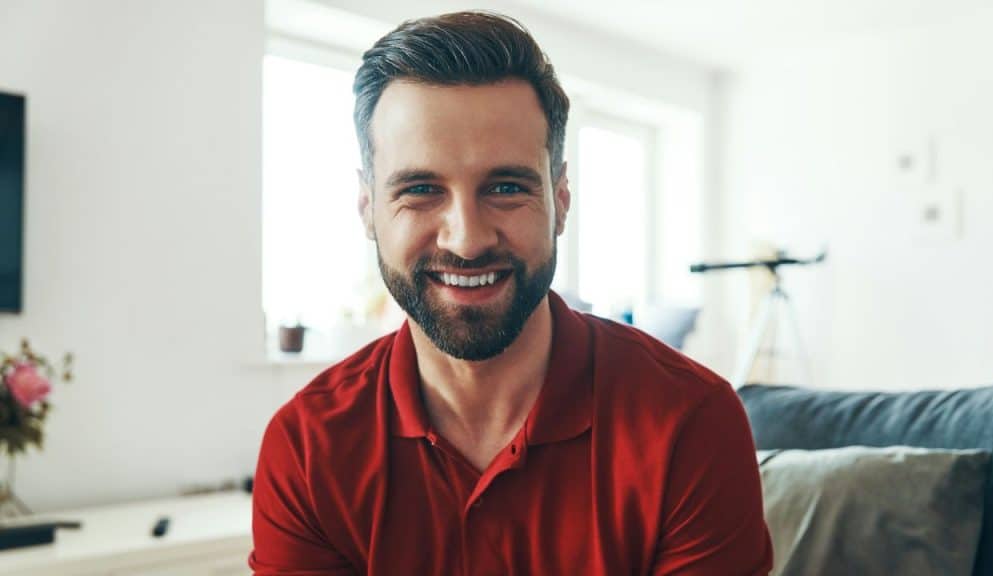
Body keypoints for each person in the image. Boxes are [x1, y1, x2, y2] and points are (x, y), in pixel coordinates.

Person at [250, 11, 772, 575]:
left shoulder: (691, 422)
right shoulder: (307, 448)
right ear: (367, 207)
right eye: (420, 189)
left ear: (561, 200)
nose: (467, 239)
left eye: (505, 187)